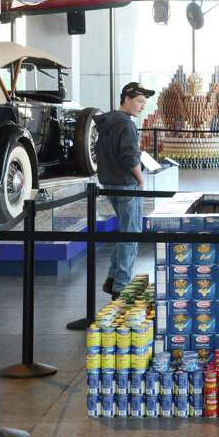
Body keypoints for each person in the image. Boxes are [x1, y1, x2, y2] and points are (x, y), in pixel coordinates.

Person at [96, 81, 154, 298]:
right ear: (126, 99)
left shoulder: (107, 121)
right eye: (139, 101)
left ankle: (112, 278)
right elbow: (130, 156)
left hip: (109, 183)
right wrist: (140, 179)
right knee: (131, 235)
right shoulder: (127, 124)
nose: (142, 106)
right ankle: (121, 287)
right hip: (127, 185)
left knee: (124, 231)